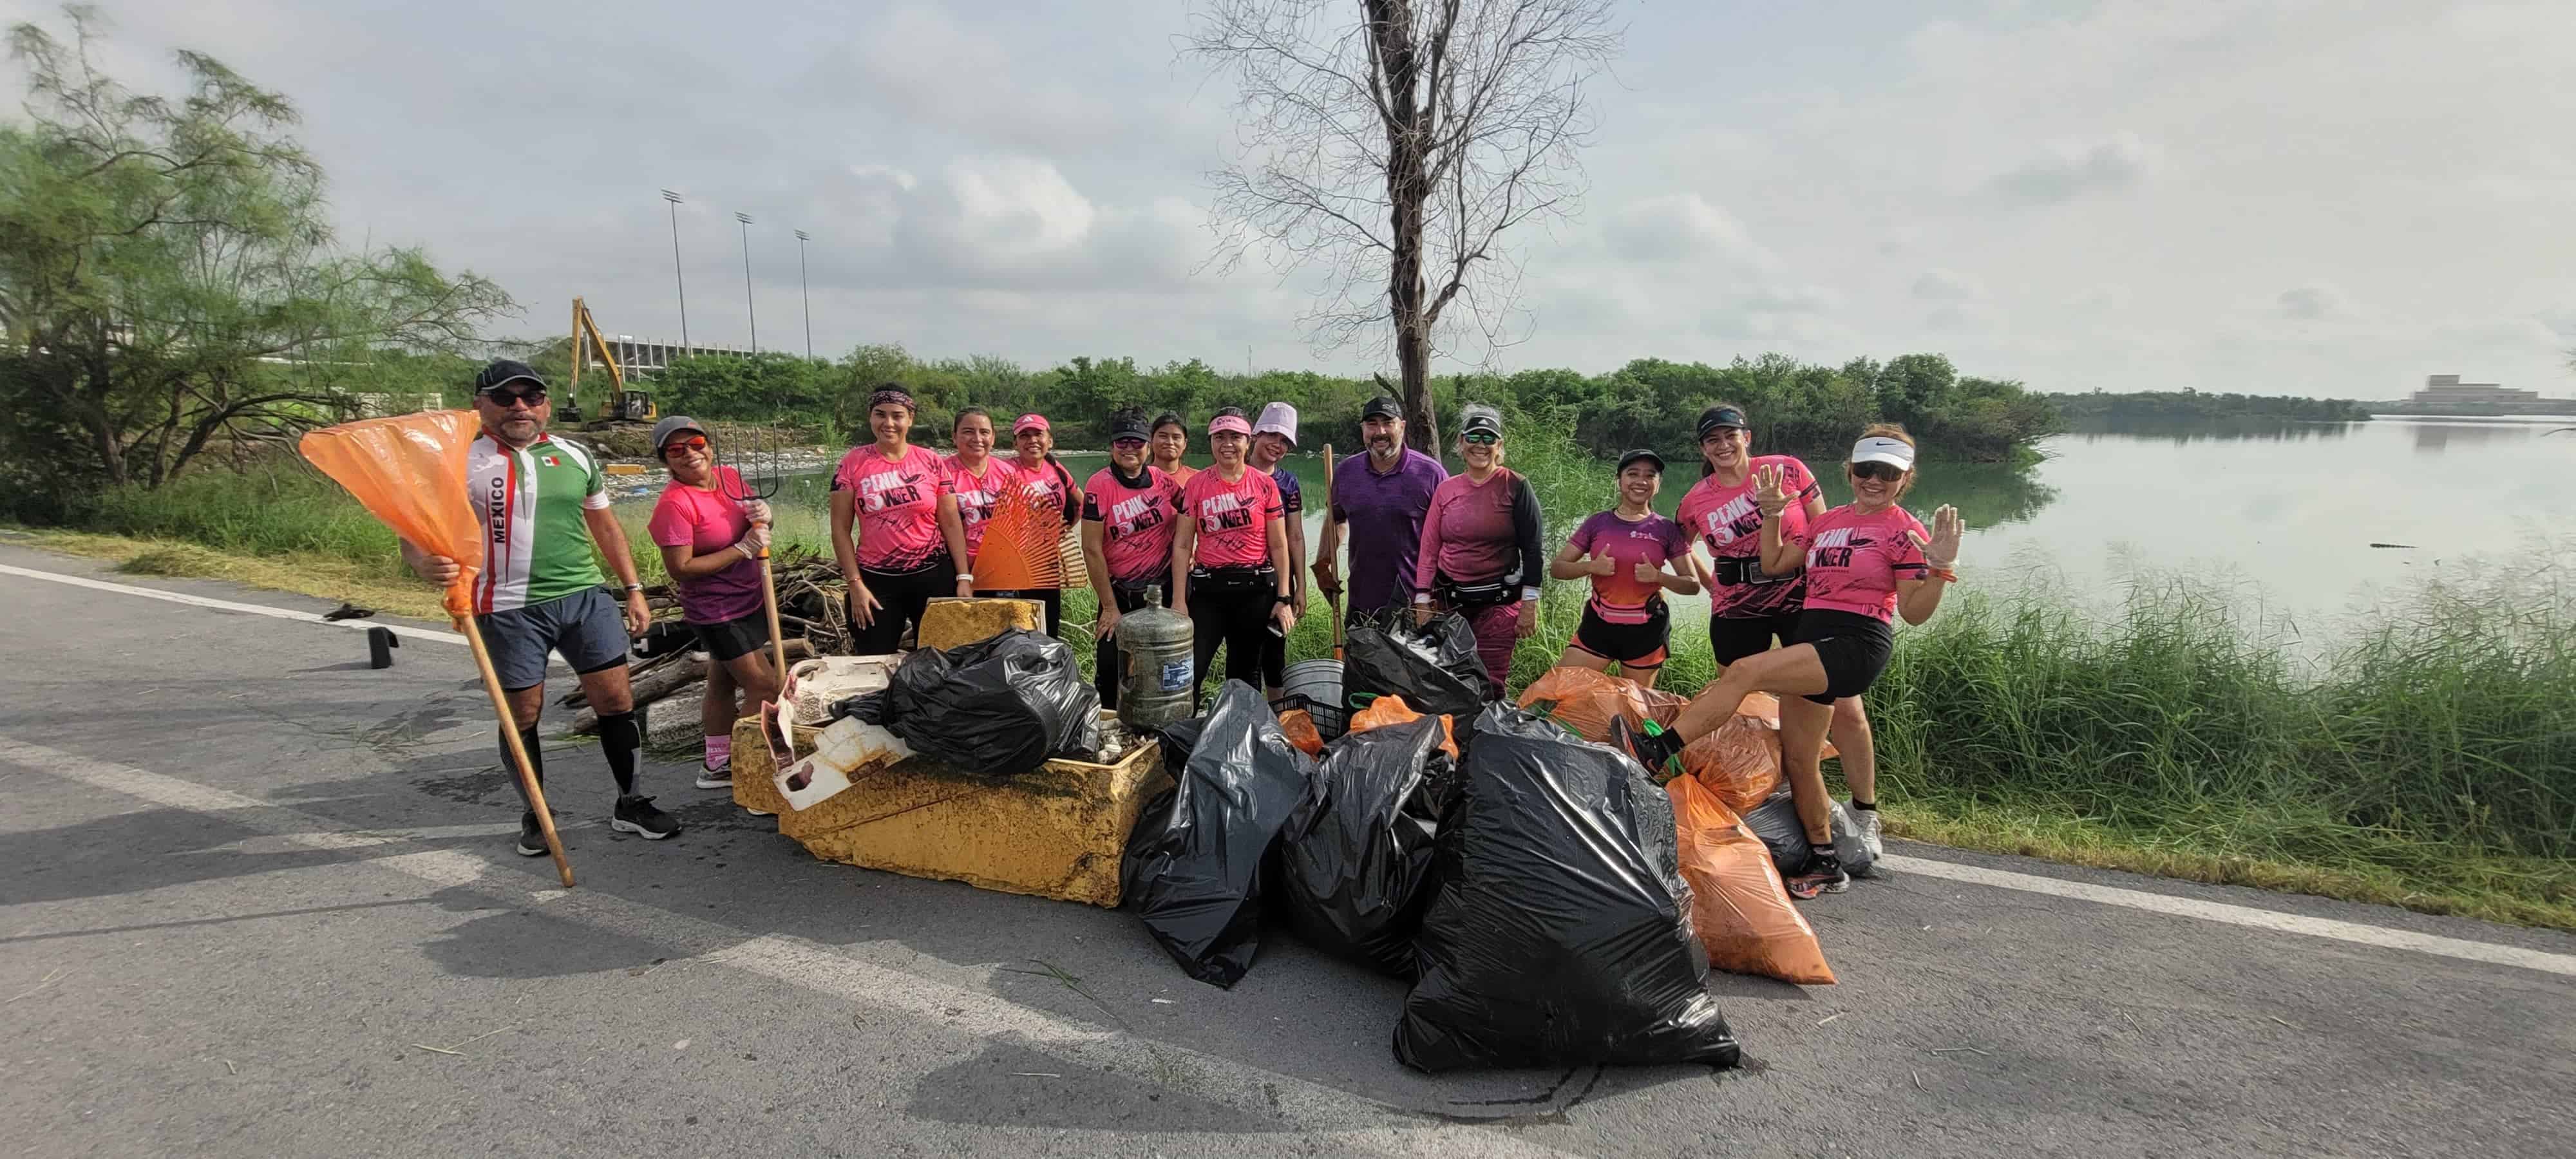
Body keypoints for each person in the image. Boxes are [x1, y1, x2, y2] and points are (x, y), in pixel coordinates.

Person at [1621, 426, 1964, 898]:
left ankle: (1654, 750)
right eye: (1867, 470)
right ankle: (1825, 862)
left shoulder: (1905, 531)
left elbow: (1915, 613)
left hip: (1856, 641)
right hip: (1814, 635)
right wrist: (1772, 516)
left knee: (1746, 671)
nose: (1875, 480)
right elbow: (1778, 562)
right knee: (1801, 760)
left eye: (1888, 474)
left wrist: (1941, 569)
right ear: (1851, 470)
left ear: (1904, 480)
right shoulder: (1828, 521)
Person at [399, 358, 677, 855]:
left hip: (583, 597)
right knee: (523, 714)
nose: (520, 407)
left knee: (616, 701)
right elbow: (415, 536)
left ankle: (631, 802)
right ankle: (536, 813)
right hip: (505, 606)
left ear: (546, 405)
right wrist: (424, 564)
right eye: (506, 398)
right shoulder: (458, 461)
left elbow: (606, 528)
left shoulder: (574, 454)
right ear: (481, 405)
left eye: (531, 397)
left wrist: (634, 587)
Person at [1674, 402, 1882, 858]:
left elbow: (1828, 527)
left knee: (1845, 706)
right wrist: (1710, 585)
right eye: (1713, 440)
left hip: (1800, 600)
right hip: (1736, 607)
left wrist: (1834, 589)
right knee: (1737, 700)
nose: (1724, 446)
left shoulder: (1787, 470)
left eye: (1731, 435)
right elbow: (1677, 544)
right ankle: (1749, 786)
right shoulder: (1695, 499)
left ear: (1747, 437)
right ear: (1704, 449)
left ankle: (1865, 812)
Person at [643, 416, 781, 790]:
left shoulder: (731, 478)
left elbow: (760, 525)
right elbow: (681, 569)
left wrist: (764, 518)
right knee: (766, 687)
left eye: (696, 443)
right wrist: (740, 550)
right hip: (718, 610)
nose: (689, 453)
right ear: (665, 460)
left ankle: (717, 762)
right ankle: (748, 767)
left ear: (709, 444)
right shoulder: (675, 504)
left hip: (750, 598)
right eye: (676, 450)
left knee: (721, 681)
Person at [829, 385, 974, 655]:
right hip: (876, 582)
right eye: (880, 415)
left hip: (933, 577)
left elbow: (951, 522)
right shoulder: (851, 464)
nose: (889, 423)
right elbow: (840, 530)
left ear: (910, 419)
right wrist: (855, 584)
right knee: (872, 661)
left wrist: (963, 576)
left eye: (897, 415)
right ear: (870, 418)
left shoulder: (931, 462)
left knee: (940, 661)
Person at [1413, 404, 1542, 694]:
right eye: (1473, 437)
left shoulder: (1516, 486)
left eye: (1488, 438)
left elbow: (1533, 549)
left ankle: (1490, 734)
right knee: (1449, 678)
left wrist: (1530, 603)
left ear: (1499, 446)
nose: (1480, 445)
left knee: (1489, 681)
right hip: (1450, 602)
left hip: (1499, 602)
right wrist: (1422, 599)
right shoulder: (1447, 489)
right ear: (1461, 443)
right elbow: (1429, 548)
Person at [1171, 408, 1296, 705]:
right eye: (1220, 437)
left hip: (1254, 591)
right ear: (1211, 441)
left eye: (1236, 437)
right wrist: (1178, 599)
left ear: (1248, 441)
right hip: (1208, 590)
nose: (1228, 444)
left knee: (1245, 674)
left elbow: (1279, 546)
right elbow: (1182, 544)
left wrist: (1283, 598)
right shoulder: (1197, 485)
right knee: (1192, 669)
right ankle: (1179, 741)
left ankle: (1240, 740)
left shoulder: (1265, 485)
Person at [1546, 449, 1697, 687]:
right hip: (1599, 625)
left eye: (1650, 475)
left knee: (1634, 707)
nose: (1641, 481)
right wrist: (1591, 566)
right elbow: (1557, 569)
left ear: (1658, 484)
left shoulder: (1666, 529)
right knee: (1556, 689)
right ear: (1619, 480)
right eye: (1632, 473)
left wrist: (1658, 576)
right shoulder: (1597, 523)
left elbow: (1692, 585)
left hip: (1646, 630)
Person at [1081, 408, 1184, 710]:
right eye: (1121, 442)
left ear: (1148, 446)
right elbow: (1091, 549)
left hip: (1161, 591)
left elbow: (1193, 514)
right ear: (1112, 445)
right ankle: (1112, 730)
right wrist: (1110, 607)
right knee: (1112, 668)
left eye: (1136, 442)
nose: (1129, 449)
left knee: (1162, 667)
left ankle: (1160, 727)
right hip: (1120, 594)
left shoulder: (1163, 481)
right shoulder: (1099, 486)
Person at [1314, 394, 1446, 621]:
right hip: (1361, 603)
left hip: (1417, 604)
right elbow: (1336, 518)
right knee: (1360, 658)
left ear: (1402, 427)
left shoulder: (1431, 474)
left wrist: (1441, 598)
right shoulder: (1346, 472)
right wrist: (1322, 565)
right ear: (1363, 429)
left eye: (1388, 423)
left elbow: (1450, 537)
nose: (1380, 432)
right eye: (1372, 424)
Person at [998, 413, 1083, 637]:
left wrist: (1060, 534)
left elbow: (1081, 503)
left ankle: (1049, 669)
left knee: (1048, 624)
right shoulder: (1005, 471)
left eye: (1038, 434)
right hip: (1015, 563)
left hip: (1048, 561)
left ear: (1050, 441)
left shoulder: (1055, 468)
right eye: (1024, 436)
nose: (1032, 440)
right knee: (1018, 628)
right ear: (1015, 443)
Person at [1247, 401, 1308, 702]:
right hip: (1239, 577)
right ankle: (1242, 717)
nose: (1277, 445)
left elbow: (1295, 536)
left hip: (1278, 581)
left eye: (1285, 441)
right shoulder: (1233, 474)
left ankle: (1276, 718)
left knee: (1274, 651)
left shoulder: (1288, 483)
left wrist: (1300, 589)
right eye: (1272, 435)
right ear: (1256, 433)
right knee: (1244, 654)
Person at [943, 406, 1010, 569]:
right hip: (955, 564)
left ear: (993, 438)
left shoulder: (1008, 472)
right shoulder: (942, 472)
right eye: (968, 432)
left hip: (1002, 564)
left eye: (984, 432)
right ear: (954, 436)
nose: (977, 438)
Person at [1149, 411, 1198, 486]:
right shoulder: (1138, 478)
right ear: (1151, 440)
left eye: (1176, 438)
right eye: (1163, 436)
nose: (1170, 442)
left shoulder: (1197, 478)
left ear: (1185, 443)